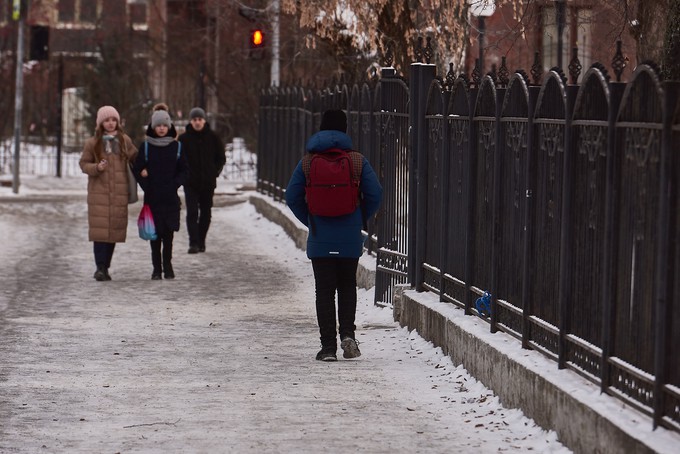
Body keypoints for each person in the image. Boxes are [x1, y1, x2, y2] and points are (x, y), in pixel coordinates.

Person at [285, 109, 382, 361]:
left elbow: (292, 196)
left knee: (324, 290)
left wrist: (310, 218)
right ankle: (348, 335)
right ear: (345, 130)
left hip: (320, 236)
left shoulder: (307, 162)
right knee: (347, 284)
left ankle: (328, 347)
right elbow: (376, 194)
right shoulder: (357, 161)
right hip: (349, 236)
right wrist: (359, 217)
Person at [79, 105, 138, 281]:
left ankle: (106, 266)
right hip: (99, 194)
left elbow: (136, 158)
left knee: (113, 232)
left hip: (119, 194)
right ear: (100, 123)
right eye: (107, 120)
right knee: (100, 232)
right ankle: (100, 267)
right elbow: (83, 164)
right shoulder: (93, 143)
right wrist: (96, 167)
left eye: (114, 120)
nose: (111, 123)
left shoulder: (124, 140)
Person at [133, 109, 189, 280]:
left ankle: (168, 266)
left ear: (169, 126)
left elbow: (185, 171)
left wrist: (174, 184)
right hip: (153, 198)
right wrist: (147, 185)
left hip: (171, 199)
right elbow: (137, 169)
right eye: (159, 126)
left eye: (165, 125)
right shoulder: (146, 147)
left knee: (169, 235)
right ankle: (156, 269)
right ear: (153, 127)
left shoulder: (177, 147)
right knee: (154, 236)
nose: (162, 128)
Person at [178, 107, 226, 253]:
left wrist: (214, 172)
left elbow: (221, 158)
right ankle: (193, 243)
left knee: (206, 212)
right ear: (190, 121)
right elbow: (180, 159)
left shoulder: (213, 137)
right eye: (194, 120)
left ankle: (201, 240)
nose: (197, 122)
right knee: (192, 212)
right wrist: (185, 175)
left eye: (200, 119)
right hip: (191, 183)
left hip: (207, 182)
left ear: (204, 120)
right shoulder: (184, 139)